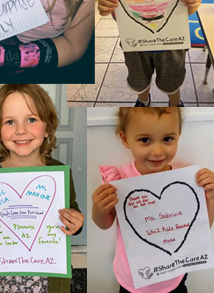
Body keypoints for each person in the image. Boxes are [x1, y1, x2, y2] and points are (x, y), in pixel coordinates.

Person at [0, 84, 84, 293]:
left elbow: (72, 210)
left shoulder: (59, 173)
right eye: (10, 121)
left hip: (46, 276)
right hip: (2, 277)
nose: (21, 130)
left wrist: (76, 222)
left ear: (48, 127)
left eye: (31, 119)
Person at [92, 107, 214, 292]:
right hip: (132, 278)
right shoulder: (119, 181)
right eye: (145, 140)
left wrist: (211, 198)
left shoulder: (188, 181)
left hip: (175, 275)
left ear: (178, 135)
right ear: (125, 139)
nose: (157, 151)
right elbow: (105, 224)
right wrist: (99, 209)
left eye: (167, 139)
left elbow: (198, 229)